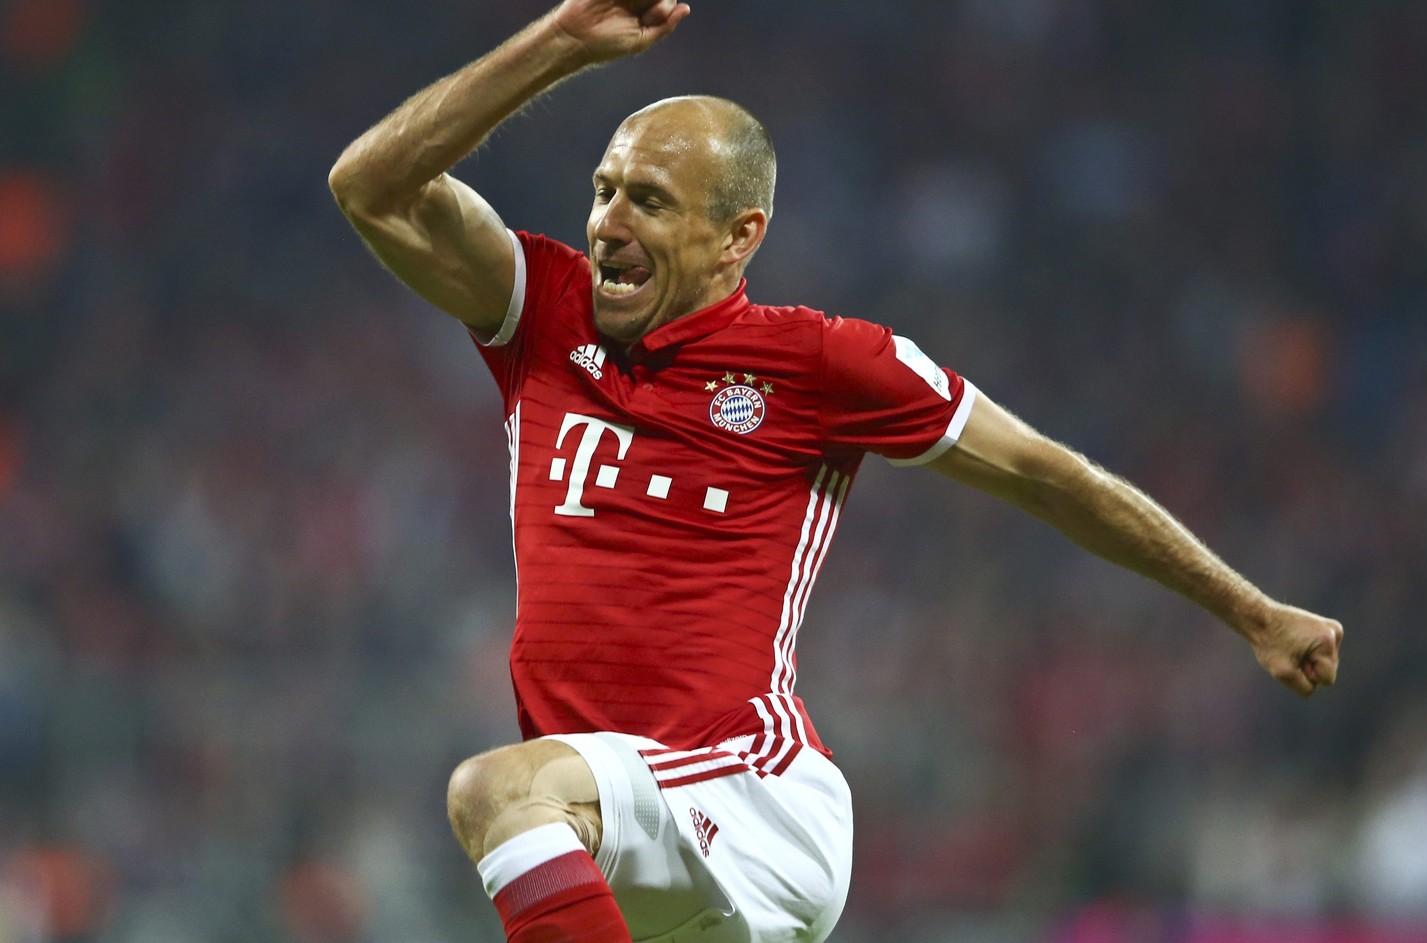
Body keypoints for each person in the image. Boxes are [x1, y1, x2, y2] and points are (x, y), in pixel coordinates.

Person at [327, 1, 1344, 940]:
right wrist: (564, 38)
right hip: (629, 828)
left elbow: (1045, 473)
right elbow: (368, 185)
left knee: (494, 793)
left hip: (754, 797)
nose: (609, 224)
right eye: (602, 192)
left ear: (738, 240)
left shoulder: (820, 361)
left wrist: (1250, 609)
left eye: (648, 199)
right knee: (522, 812)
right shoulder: (541, 314)